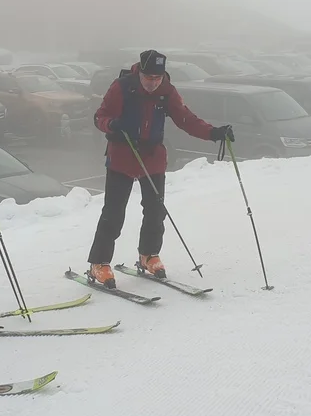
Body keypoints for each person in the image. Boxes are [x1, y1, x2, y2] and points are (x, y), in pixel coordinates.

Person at [86, 50, 232, 288]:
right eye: (149, 78)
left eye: (158, 78)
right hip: (123, 157)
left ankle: (149, 255)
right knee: (113, 213)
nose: (153, 83)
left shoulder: (167, 92)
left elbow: (185, 119)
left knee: (155, 211)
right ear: (140, 73)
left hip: (152, 158)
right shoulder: (121, 87)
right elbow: (99, 116)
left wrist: (214, 133)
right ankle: (99, 263)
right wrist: (111, 125)